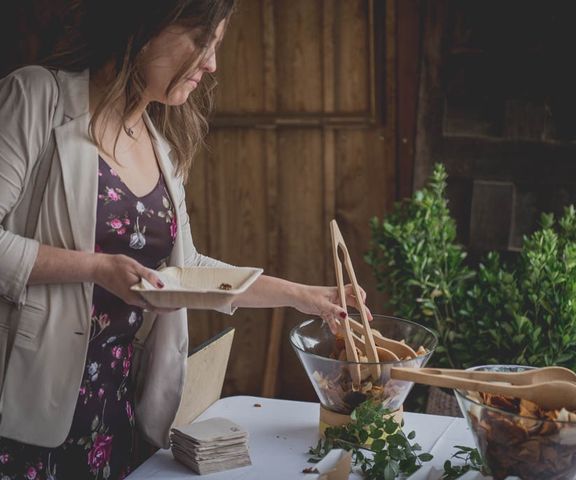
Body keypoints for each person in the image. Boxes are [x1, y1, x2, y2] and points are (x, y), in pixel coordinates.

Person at [0, 1, 370, 478]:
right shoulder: (35, 97)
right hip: (24, 406)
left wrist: (306, 297)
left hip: (114, 409)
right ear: (143, 24)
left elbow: (187, 266)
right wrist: (95, 268)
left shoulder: (160, 147)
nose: (211, 63)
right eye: (201, 40)